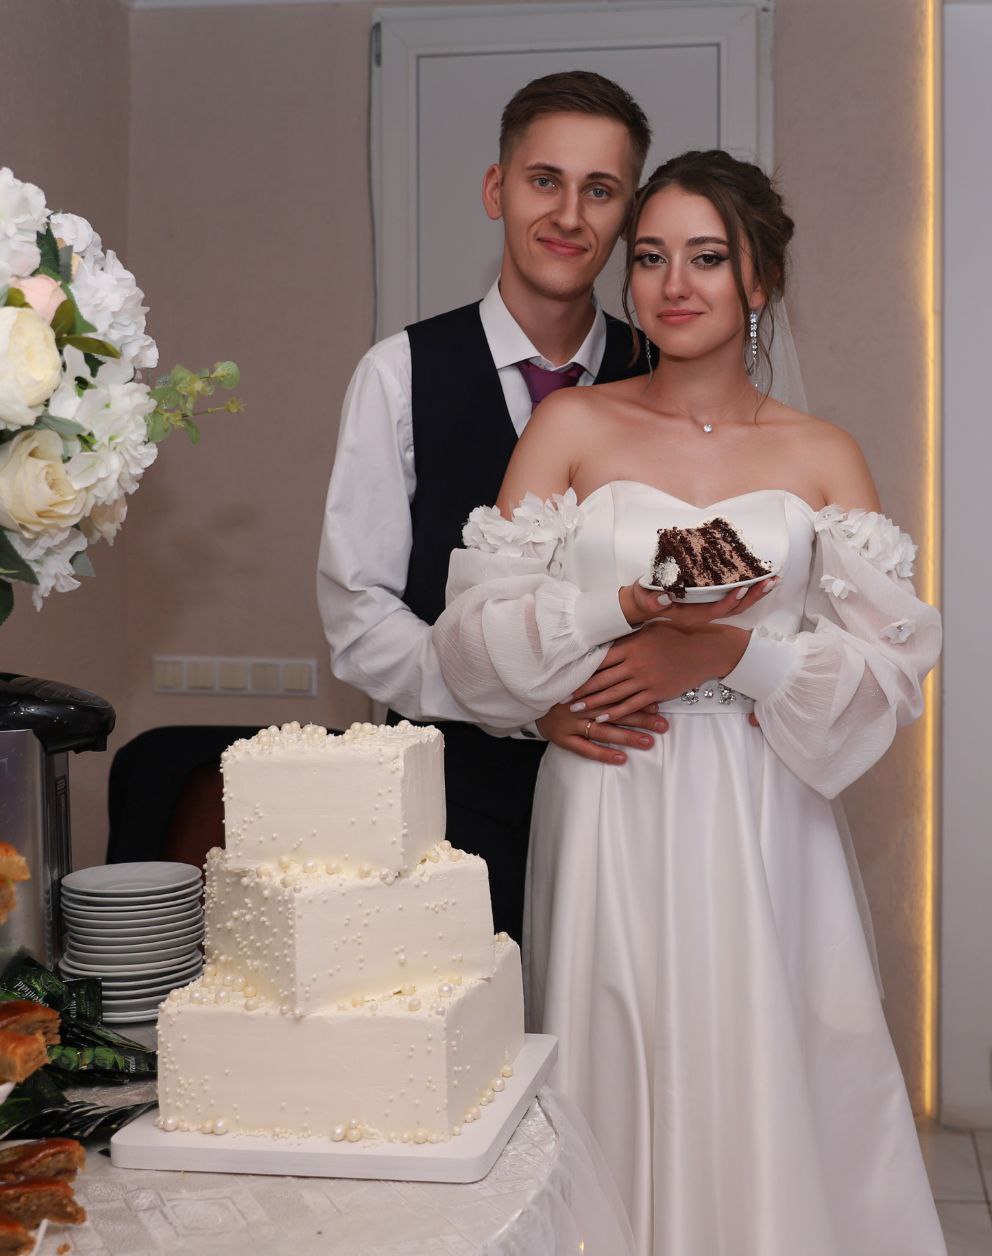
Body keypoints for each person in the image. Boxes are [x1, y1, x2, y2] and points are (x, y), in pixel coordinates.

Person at [432, 150, 944, 1255]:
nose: (674, 284)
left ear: (759, 278)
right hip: (612, 790)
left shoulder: (821, 453)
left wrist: (725, 655)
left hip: (766, 802)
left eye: (707, 258)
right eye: (652, 256)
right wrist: (611, 617)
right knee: (612, 1052)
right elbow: (469, 639)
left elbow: (885, 674)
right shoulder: (571, 428)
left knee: (763, 1054)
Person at [318, 71, 667, 942]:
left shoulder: (664, 376)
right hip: (454, 803)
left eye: (600, 190)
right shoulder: (398, 374)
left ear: (629, 215)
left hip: (641, 795)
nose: (569, 215)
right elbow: (360, 616)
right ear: (495, 189)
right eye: (545, 180)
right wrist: (520, 711)